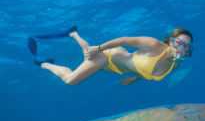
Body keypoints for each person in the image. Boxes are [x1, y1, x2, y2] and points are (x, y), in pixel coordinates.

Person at [37, 27, 193, 86]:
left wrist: (133, 79)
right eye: (179, 42)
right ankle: (45, 64)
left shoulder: (175, 65)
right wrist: (99, 48)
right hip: (108, 57)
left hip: (113, 67)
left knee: (87, 53)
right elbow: (123, 40)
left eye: (187, 46)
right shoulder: (153, 45)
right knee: (70, 80)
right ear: (171, 41)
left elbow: (145, 70)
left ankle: (74, 33)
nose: (182, 48)